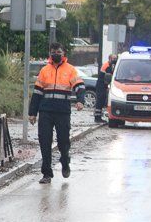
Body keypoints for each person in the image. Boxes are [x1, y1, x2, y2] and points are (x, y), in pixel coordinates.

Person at [29, 43, 85, 184]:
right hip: (46, 111)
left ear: (63, 53)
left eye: (58, 51)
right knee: (45, 142)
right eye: (53, 51)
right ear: (50, 53)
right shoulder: (44, 70)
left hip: (62, 112)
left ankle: (65, 161)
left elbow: (79, 86)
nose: (56, 54)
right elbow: (37, 93)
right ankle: (47, 173)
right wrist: (32, 113)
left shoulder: (70, 70)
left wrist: (80, 101)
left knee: (63, 142)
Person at [94, 54, 117, 123]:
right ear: (110, 59)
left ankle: (99, 116)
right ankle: (97, 118)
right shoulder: (107, 66)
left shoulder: (109, 65)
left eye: (116, 58)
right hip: (101, 86)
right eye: (114, 58)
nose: (115, 60)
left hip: (103, 85)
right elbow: (109, 76)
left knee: (102, 101)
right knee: (100, 101)